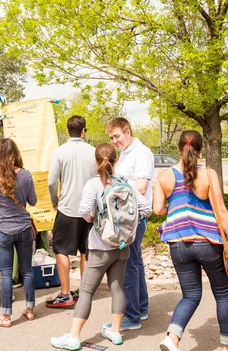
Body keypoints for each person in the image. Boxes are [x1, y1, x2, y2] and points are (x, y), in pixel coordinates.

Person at [153, 130, 228, 351]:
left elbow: (158, 209)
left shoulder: (164, 176)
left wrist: (174, 207)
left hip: (178, 243)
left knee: (191, 295)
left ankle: (172, 339)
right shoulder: (208, 174)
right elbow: (220, 211)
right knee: (222, 294)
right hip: (207, 243)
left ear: (178, 148)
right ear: (200, 150)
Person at [51, 143, 147, 350]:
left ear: (96, 162)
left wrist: (92, 219)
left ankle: (74, 336)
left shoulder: (94, 184)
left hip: (100, 246)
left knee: (86, 291)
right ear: (116, 160)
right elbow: (146, 208)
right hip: (122, 246)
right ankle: (115, 331)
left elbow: (84, 209)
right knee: (118, 288)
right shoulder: (126, 183)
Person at [106, 117, 153, 330]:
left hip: (134, 216)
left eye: (117, 136)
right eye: (111, 138)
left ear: (128, 131)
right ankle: (141, 308)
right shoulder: (126, 153)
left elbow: (141, 187)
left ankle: (132, 316)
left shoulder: (141, 152)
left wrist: (118, 184)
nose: (114, 141)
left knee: (129, 265)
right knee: (135, 262)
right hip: (128, 215)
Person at [0, 138, 37, 328]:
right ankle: (30, 309)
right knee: (27, 270)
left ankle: (6, 316)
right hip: (24, 228)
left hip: (2, 230)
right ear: (15, 154)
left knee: (5, 274)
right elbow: (33, 201)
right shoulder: (25, 175)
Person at [47, 115, 97, 308]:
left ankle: (65, 293)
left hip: (67, 208)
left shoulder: (59, 152)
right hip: (89, 209)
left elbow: (52, 181)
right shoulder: (93, 152)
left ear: (68, 131)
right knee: (86, 251)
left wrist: (55, 201)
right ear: (83, 131)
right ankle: (84, 293)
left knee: (61, 250)